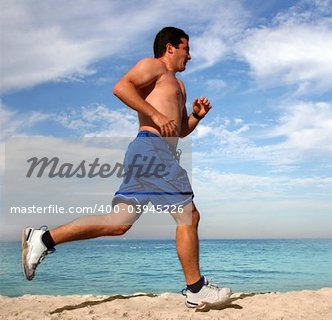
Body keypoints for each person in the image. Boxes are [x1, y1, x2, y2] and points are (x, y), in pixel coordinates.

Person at [21, 26, 232, 309]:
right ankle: (195, 289)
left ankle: (43, 239)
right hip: (152, 149)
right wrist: (155, 114)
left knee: (118, 223)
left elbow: (179, 131)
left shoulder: (178, 85)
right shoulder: (154, 66)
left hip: (151, 152)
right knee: (188, 216)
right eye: (186, 48)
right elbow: (121, 87)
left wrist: (196, 116)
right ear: (170, 47)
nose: (190, 56)